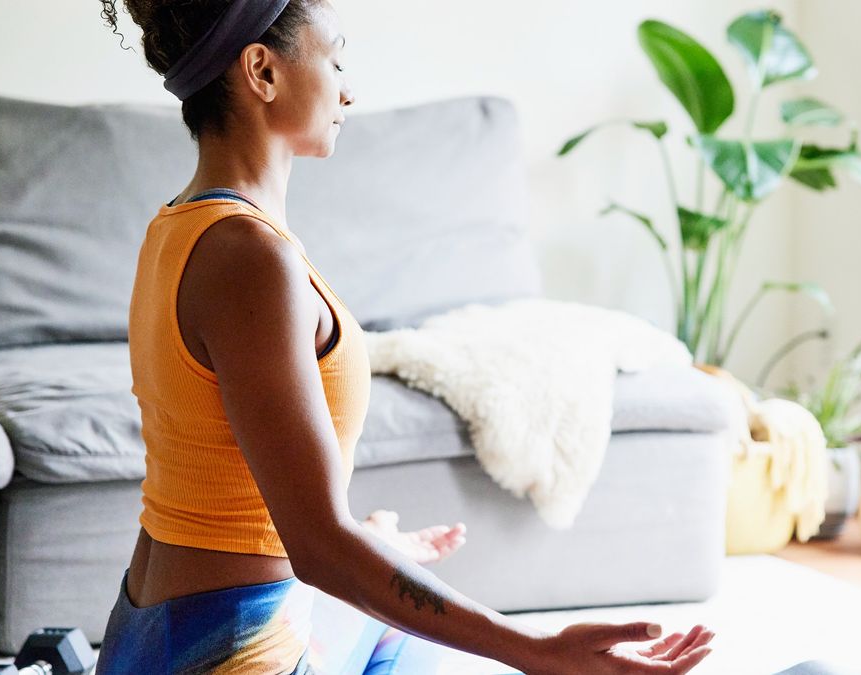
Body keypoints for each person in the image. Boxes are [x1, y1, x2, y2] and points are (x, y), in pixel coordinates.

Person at [93, 1, 715, 673]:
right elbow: (318, 545)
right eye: (334, 59)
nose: (348, 88)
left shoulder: (179, 228)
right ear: (261, 71)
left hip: (158, 630)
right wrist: (535, 650)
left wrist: (369, 542)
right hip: (223, 652)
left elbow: (240, 501)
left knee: (406, 639)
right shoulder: (249, 256)